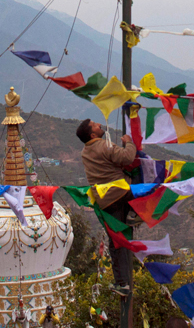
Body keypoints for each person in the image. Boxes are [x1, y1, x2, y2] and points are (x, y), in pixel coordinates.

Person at [76, 118, 137, 296]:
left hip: (105, 202)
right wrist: (129, 143)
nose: (100, 125)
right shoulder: (104, 146)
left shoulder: (85, 152)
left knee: (117, 242)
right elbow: (127, 158)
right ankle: (135, 212)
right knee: (140, 180)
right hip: (121, 194)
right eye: (95, 125)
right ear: (93, 134)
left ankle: (122, 283)